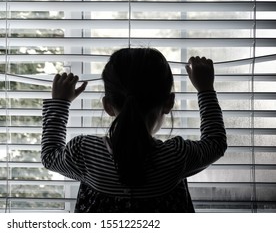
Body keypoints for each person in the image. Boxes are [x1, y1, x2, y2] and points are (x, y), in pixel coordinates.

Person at [41, 48, 227, 212]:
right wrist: (206, 89)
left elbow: (50, 156)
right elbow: (215, 144)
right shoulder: (176, 157)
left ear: (107, 105)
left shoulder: (85, 153)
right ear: (169, 102)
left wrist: (60, 103)